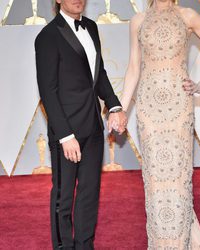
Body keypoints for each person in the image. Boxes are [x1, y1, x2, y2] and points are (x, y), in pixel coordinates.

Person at [121, 0, 200, 249]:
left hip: (178, 107)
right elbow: (133, 68)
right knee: (155, 179)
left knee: (178, 176)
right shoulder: (138, 21)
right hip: (149, 109)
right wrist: (121, 109)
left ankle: (180, 242)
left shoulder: (188, 15)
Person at [35, 0, 127, 249]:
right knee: (63, 199)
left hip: (94, 127)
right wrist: (65, 135)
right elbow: (48, 91)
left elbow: (99, 75)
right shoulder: (47, 36)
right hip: (67, 132)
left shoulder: (92, 27)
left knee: (89, 195)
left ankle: (85, 245)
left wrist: (114, 105)